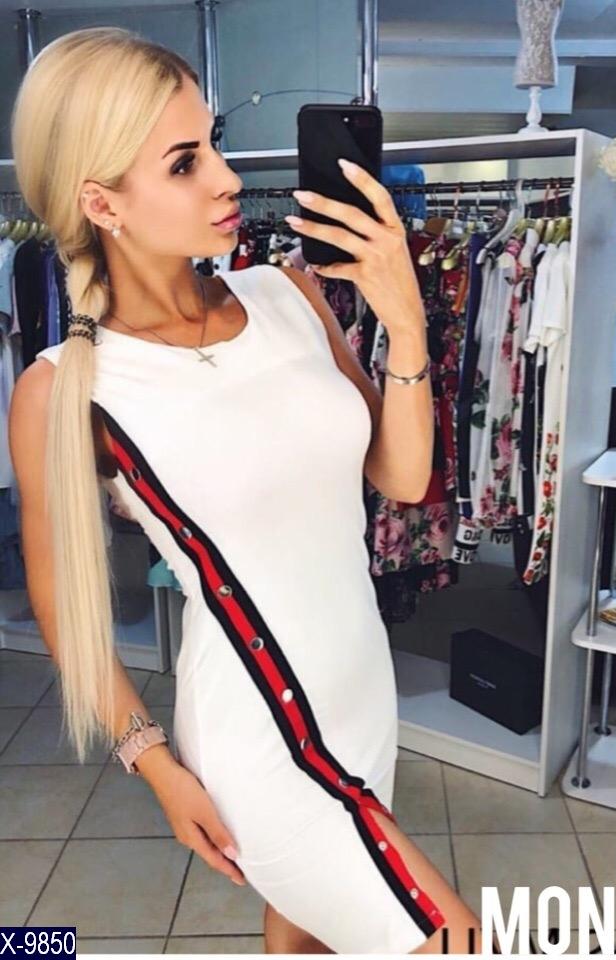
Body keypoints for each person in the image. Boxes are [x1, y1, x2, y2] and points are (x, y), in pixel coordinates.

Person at [8, 26, 489, 956]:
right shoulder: (70, 388)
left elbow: (400, 476)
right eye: (185, 162)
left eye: (214, 143)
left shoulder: (287, 295)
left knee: (301, 936)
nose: (228, 179)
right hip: (265, 737)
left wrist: (405, 321)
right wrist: (152, 761)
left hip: (362, 694)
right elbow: (61, 600)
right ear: (101, 202)